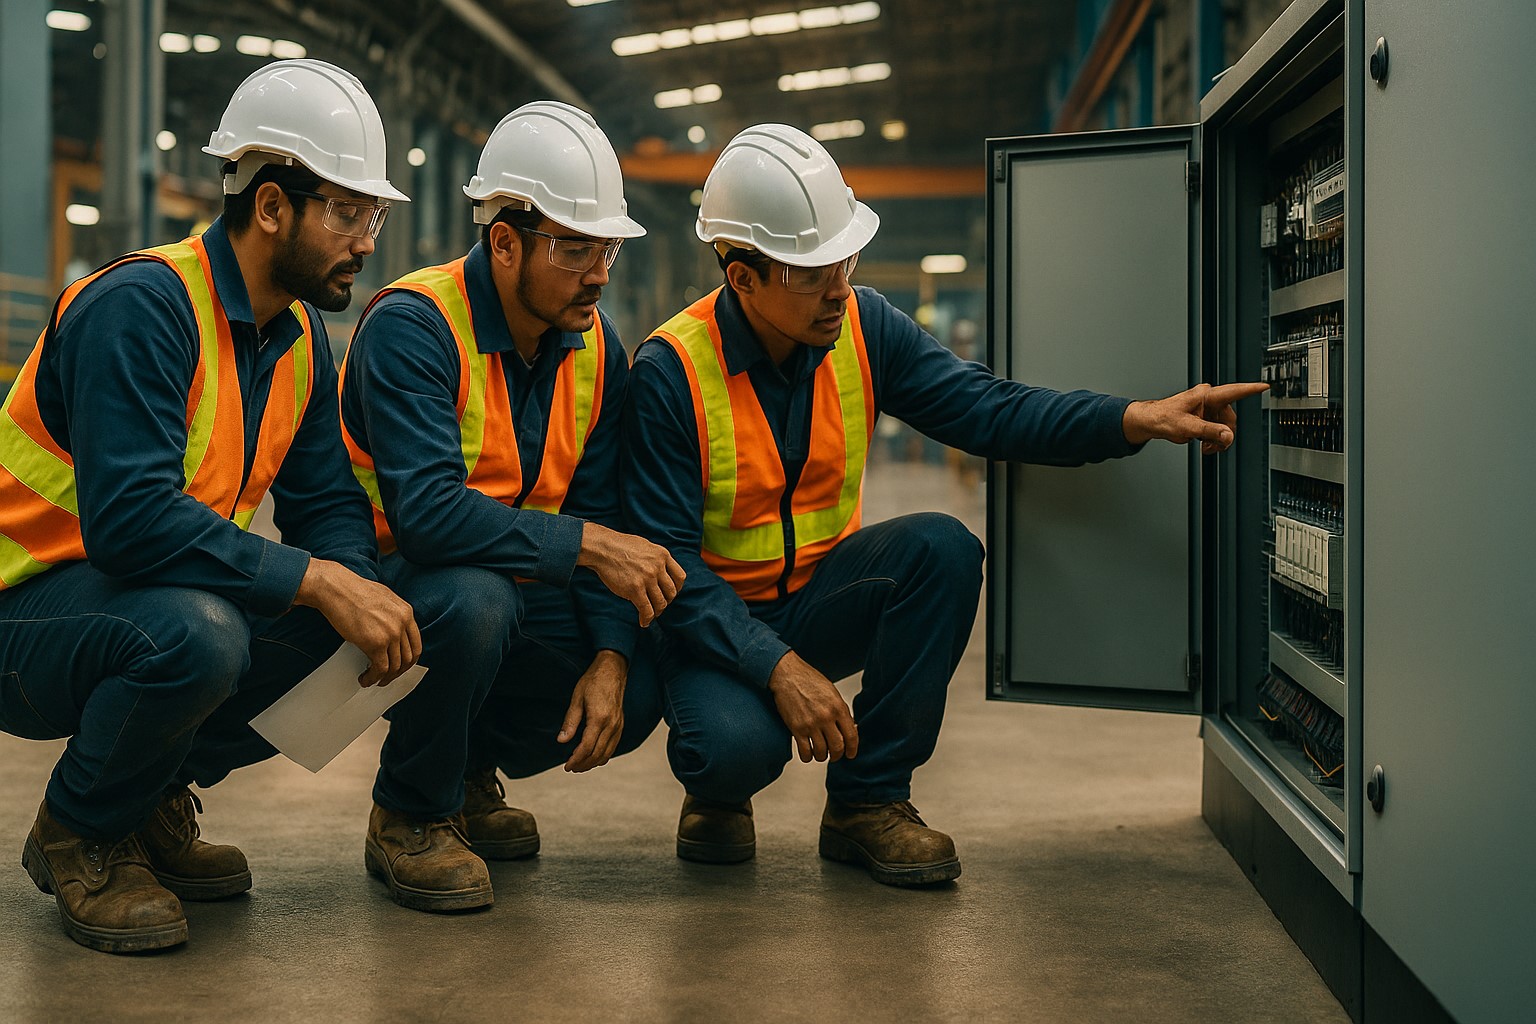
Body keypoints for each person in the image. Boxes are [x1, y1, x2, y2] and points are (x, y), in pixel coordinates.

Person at [622, 124, 1266, 887]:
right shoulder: (670, 371)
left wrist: (1133, 418)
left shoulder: (863, 326)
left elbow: (987, 409)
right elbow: (667, 571)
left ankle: (867, 801)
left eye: (844, 261)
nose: (839, 288)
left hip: (818, 599)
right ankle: (718, 793)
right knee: (731, 751)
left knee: (942, 549)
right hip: (713, 623)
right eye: (814, 273)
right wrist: (777, 668)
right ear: (743, 278)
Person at [0, 59, 421, 953]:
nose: (365, 241)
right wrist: (317, 581)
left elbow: (327, 502)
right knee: (201, 634)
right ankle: (79, 831)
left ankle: (148, 797)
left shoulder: (299, 337)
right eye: (347, 213)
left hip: (128, 600)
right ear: (270, 206)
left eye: (372, 217)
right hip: (24, 611)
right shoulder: (141, 307)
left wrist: (354, 586)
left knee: (362, 620)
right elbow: (130, 523)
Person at [339, 101, 683, 912]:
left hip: (509, 575)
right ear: (503, 242)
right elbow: (428, 516)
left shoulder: (595, 346)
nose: (599, 274)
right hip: (382, 590)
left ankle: (463, 773)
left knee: (641, 671)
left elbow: (598, 505)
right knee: (477, 600)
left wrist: (611, 655)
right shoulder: (415, 326)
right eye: (575, 249)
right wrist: (590, 546)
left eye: (606, 249)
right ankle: (409, 813)